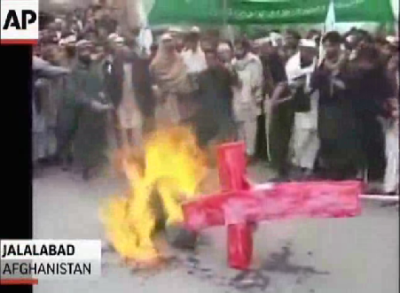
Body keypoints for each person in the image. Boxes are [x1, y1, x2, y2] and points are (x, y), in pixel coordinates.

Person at [60, 40, 113, 180]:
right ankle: (85, 166)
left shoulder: (94, 66)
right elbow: (73, 92)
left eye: (89, 50)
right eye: (84, 50)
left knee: (99, 136)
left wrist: (103, 96)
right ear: (78, 52)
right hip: (82, 111)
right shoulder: (74, 70)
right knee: (83, 138)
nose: (87, 53)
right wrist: (90, 102)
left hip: (97, 109)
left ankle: (97, 160)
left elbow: (100, 83)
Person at [311, 31, 359, 180]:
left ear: (338, 46)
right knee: (326, 138)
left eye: (331, 46)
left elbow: (353, 84)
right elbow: (314, 83)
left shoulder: (348, 63)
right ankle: (327, 170)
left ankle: (343, 171)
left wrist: (339, 82)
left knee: (342, 139)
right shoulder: (322, 63)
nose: (328, 49)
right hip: (326, 107)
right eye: (325, 46)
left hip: (342, 108)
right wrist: (324, 75)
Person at [285, 39, 319, 179]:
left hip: (316, 104)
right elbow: (294, 81)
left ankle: (308, 167)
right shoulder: (293, 64)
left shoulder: (317, 60)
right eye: (306, 50)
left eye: (311, 51)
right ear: (301, 50)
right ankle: (295, 164)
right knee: (301, 138)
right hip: (302, 105)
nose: (309, 53)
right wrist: (310, 74)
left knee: (314, 138)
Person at [194, 48, 237, 147]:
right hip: (209, 115)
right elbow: (199, 95)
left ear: (216, 59)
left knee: (226, 140)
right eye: (207, 59)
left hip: (224, 113)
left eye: (212, 59)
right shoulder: (202, 76)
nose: (210, 62)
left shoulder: (225, 72)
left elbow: (233, 87)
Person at [150, 33, 194, 126]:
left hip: (182, 98)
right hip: (165, 99)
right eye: (165, 42)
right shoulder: (156, 64)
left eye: (170, 41)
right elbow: (154, 80)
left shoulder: (179, 59)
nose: (168, 44)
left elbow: (184, 75)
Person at [232, 38, 263, 162]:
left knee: (250, 128)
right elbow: (232, 82)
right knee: (240, 128)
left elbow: (258, 81)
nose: (238, 51)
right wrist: (235, 79)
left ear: (245, 48)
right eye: (236, 48)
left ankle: (250, 153)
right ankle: (241, 152)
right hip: (237, 99)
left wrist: (256, 96)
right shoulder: (233, 62)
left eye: (240, 48)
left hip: (250, 99)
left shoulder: (254, 61)